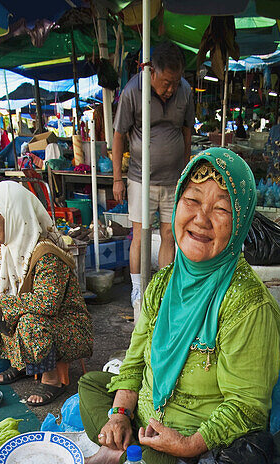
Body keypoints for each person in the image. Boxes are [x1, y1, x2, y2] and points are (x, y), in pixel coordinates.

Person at [79, 148, 280, 464]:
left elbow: (247, 405)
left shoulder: (247, 305)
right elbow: (136, 359)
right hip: (147, 415)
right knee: (89, 384)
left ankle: (131, 451)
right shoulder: (163, 283)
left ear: (240, 223)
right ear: (176, 206)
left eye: (221, 208)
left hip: (194, 443)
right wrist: (121, 414)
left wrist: (187, 444)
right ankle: (126, 441)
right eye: (192, 200)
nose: (201, 219)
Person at [0, 182, 92, 406]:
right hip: (35, 318)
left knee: (30, 321)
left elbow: (48, 302)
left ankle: (52, 380)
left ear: (12, 216)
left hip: (67, 327)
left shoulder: (46, 253)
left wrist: (2, 303)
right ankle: (22, 364)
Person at [112, 41, 194, 314]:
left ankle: (165, 289)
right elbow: (119, 135)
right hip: (139, 178)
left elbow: (186, 133)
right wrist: (117, 179)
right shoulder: (133, 91)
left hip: (173, 180)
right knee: (141, 235)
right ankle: (138, 288)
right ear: (152, 72)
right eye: (166, 82)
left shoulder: (185, 92)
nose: (171, 88)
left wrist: (186, 172)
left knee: (170, 235)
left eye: (176, 82)